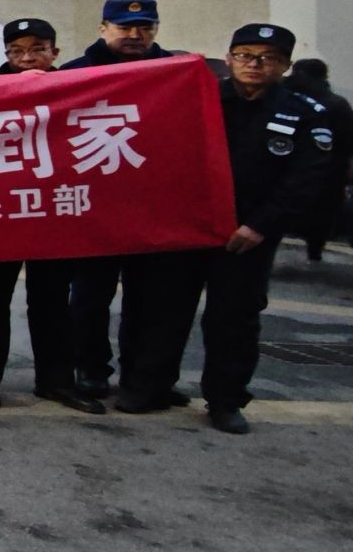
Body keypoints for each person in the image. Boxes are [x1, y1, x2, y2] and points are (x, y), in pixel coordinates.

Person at [128, 25, 334, 433]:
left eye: (268, 58)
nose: (254, 65)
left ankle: (225, 400)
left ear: (285, 66)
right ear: (229, 58)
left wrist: (260, 225)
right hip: (189, 228)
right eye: (244, 55)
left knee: (234, 319)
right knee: (164, 309)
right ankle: (149, 387)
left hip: (249, 235)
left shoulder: (305, 113)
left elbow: (306, 179)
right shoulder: (199, 97)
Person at [0, 19, 103, 413]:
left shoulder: (75, 90)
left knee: (53, 299)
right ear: (6, 54)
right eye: (17, 51)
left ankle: (56, 381)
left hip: (52, 210)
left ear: (54, 52)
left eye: (37, 49)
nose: (27, 58)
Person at [59, 0, 177, 401]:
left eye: (144, 27)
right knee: (89, 298)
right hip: (93, 209)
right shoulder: (75, 74)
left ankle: (142, 377)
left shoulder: (173, 73)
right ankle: (91, 370)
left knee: (150, 302)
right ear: (103, 29)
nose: (135, 35)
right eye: (124, 27)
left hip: (153, 210)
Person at [286, 59, 352, 260]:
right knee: (322, 215)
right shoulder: (337, 103)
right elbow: (348, 140)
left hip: (286, 166)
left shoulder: (283, 97)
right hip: (328, 171)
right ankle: (315, 252)